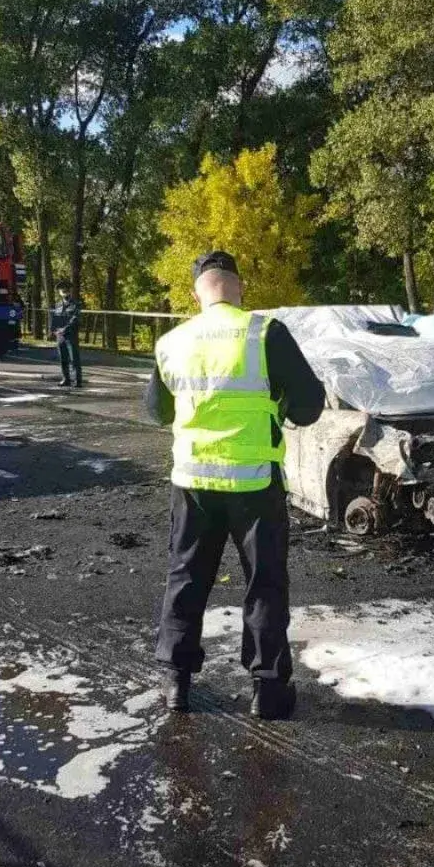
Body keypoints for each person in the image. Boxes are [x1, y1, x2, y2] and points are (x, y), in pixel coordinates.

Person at [145, 251, 325, 720]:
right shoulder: (265, 334)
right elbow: (310, 405)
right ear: (240, 287)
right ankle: (268, 689)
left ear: (197, 293)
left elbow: (158, 411)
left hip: (193, 482)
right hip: (255, 483)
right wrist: (277, 406)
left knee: (186, 576)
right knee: (264, 583)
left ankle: (175, 682)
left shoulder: (173, 341)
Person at [50, 281, 82, 388]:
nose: (64, 291)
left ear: (70, 291)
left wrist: (65, 329)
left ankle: (77, 380)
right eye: (62, 290)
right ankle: (66, 379)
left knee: (74, 359)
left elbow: (75, 319)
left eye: (66, 289)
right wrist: (53, 330)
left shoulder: (76, 304)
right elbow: (55, 319)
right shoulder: (58, 305)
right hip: (60, 336)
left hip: (70, 335)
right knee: (63, 359)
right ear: (59, 292)